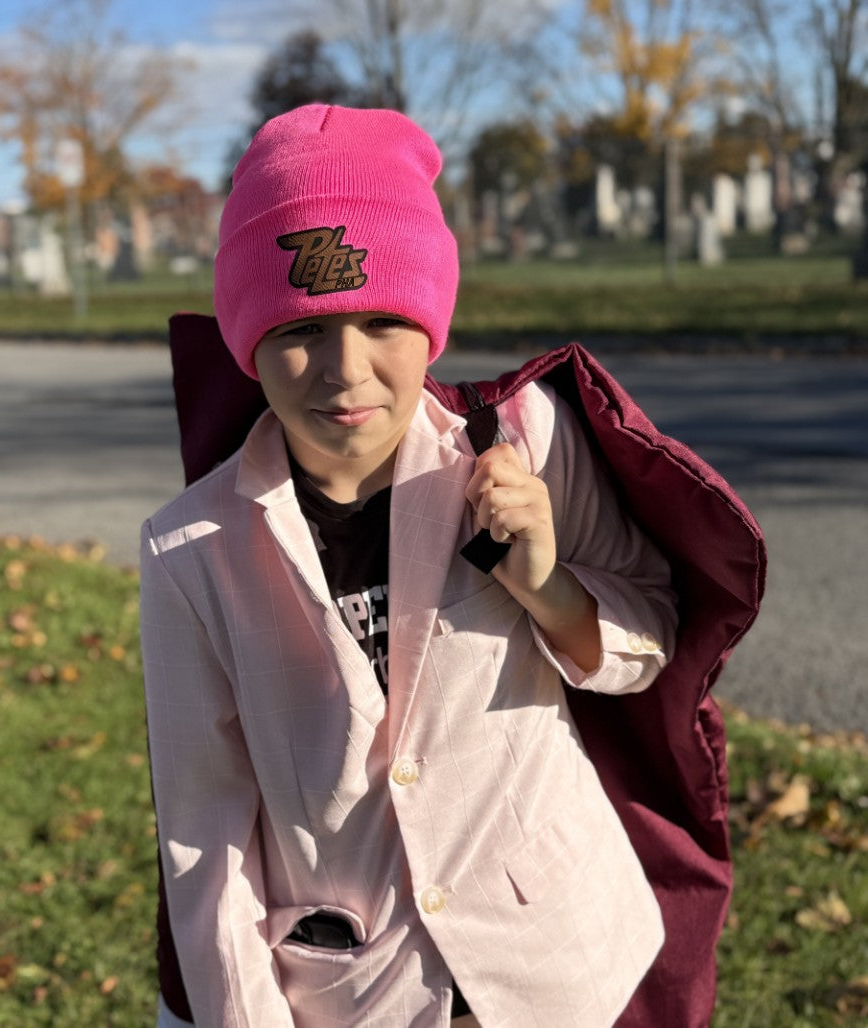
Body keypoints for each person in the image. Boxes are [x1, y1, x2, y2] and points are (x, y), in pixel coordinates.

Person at [139, 104, 677, 1027]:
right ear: (248, 341)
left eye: (384, 320)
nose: (346, 370)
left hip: (552, 956)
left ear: (432, 323)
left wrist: (545, 587)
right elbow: (204, 831)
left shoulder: (523, 446)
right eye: (301, 329)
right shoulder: (189, 549)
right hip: (357, 993)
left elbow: (650, 642)